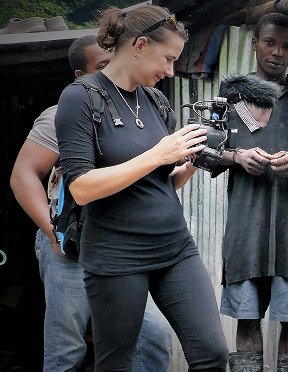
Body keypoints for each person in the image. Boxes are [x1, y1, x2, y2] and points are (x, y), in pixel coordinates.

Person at [53, 5, 229, 371]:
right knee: (117, 362)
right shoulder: (80, 97)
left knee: (212, 353)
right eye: (167, 59)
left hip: (174, 247)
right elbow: (82, 187)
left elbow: (161, 181)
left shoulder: (156, 101)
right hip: (116, 255)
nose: (170, 71)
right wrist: (157, 154)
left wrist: (194, 160)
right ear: (140, 44)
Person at [10, 35, 173, 372]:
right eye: (101, 66)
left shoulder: (142, 111)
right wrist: (51, 232)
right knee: (67, 348)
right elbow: (23, 175)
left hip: (124, 244)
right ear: (80, 78)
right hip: (72, 241)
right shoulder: (62, 114)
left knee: (152, 336)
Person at [211, 13, 288, 372]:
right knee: (247, 319)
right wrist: (237, 156)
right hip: (245, 228)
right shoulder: (230, 95)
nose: (277, 52)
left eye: (286, 46)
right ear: (254, 44)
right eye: (270, 43)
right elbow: (204, 154)